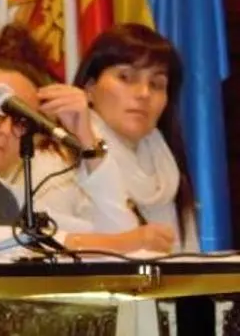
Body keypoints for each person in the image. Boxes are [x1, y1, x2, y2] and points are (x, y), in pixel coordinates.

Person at [0, 24, 176, 255]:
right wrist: (115, 242)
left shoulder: (9, 198)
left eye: (20, 121)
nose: (4, 130)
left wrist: (88, 141)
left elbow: (118, 243)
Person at [67, 23, 198, 251]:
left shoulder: (168, 169)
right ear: (89, 88)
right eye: (126, 78)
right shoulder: (60, 159)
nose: (144, 93)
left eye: (156, 84)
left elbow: (189, 263)